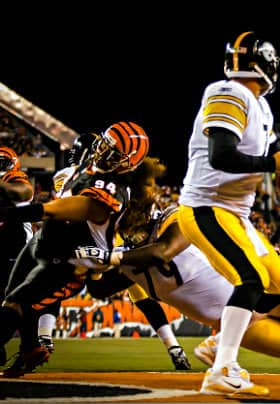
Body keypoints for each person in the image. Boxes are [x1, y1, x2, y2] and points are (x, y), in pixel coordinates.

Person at [0, 121, 149, 377]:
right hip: (45, 241)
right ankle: (31, 348)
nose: (103, 153)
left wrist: (22, 212)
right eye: (105, 145)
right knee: (9, 296)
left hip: (71, 259)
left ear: (128, 164)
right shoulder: (84, 166)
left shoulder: (112, 187)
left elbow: (74, 208)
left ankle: (25, 346)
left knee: (16, 305)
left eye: (114, 153)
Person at [177, 31, 280, 396]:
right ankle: (222, 368)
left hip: (236, 214)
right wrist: (272, 162)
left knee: (277, 282)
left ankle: (217, 343)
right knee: (249, 279)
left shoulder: (261, 107)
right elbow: (221, 155)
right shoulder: (227, 92)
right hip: (206, 206)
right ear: (267, 63)